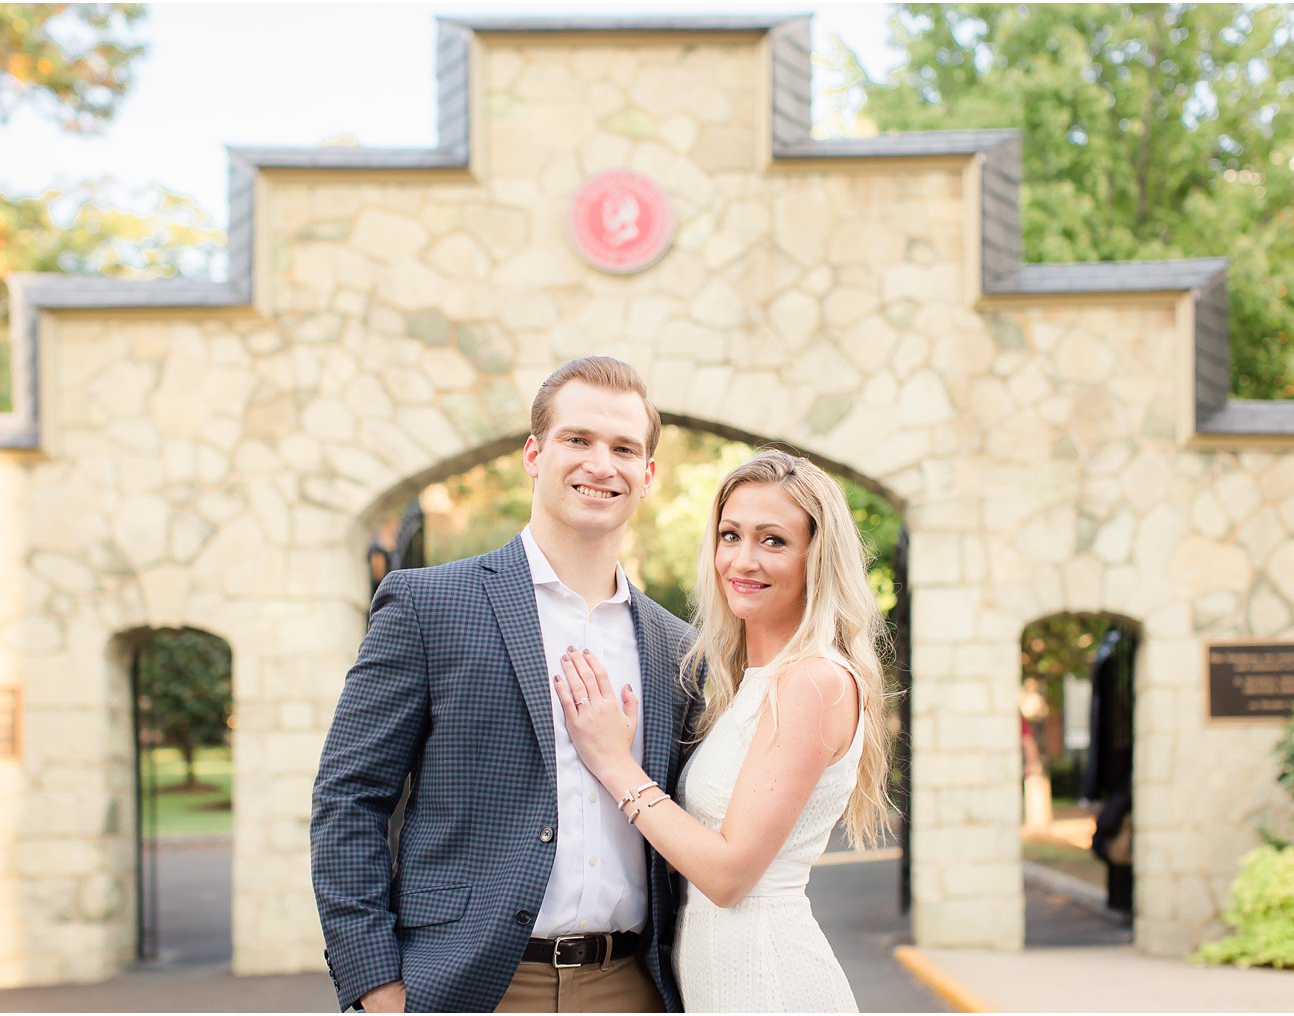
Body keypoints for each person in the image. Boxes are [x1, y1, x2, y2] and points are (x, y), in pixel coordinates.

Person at [311, 356, 703, 1013]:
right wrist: (376, 987)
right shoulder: (428, 604)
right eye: (577, 440)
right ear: (533, 454)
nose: (601, 465)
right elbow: (349, 798)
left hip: (631, 987)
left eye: (624, 448)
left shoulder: (677, 648)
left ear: (648, 474)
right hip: (470, 987)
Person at [553, 449, 894, 1012]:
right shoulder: (747, 686)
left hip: (771, 985)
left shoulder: (813, 681)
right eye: (730, 535)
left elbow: (729, 875)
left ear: (817, 559)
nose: (743, 560)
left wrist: (615, 763)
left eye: (774, 540)